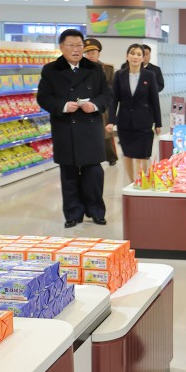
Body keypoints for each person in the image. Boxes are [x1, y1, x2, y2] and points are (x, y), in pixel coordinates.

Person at [37, 29, 113, 228]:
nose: (76, 49)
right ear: (62, 47)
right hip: (65, 127)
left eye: (79, 45)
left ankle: (96, 211)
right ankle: (72, 214)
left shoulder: (95, 68)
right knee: (68, 173)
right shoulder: (51, 70)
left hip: (90, 127)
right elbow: (43, 98)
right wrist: (63, 106)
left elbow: (107, 95)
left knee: (94, 173)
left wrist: (94, 105)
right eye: (71, 45)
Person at [111, 43, 162, 182]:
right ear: (127, 56)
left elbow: (154, 100)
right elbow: (114, 100)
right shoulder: (119, 75)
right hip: (125, 121)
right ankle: (131, 182)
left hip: (144, 121)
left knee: (143, 155)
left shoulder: (149, 76)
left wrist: (158, 123)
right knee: (127, 154)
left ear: (143, 58)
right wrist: (111, 120)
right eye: (132, 53)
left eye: (139, 54)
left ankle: (142, 182)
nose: (135, 57)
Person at [83, 38, 118, 167]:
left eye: (93, 52)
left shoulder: (107, 69)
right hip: (86, 104)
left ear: (99, 53)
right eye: (87, 53)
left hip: (103, 105)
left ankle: (111, 157)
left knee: (106, 133)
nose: (90, 55)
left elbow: (112, 89)